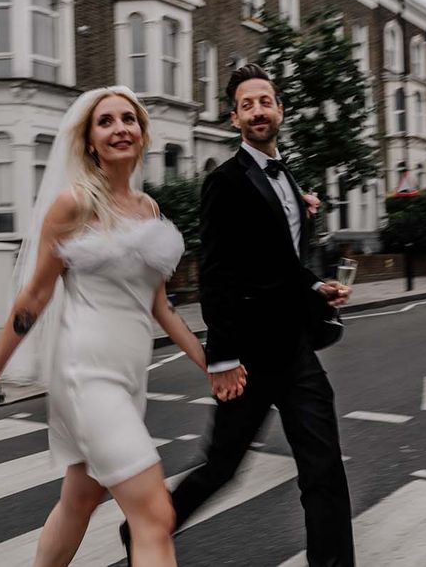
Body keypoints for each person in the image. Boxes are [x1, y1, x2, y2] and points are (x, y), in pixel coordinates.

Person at [0, 86, 206, 567]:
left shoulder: (149, 211)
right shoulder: (73, 205)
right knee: (155, 517)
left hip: (129, 379)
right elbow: (34, 296)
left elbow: (161, 307)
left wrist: (211, 363)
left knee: (79, 500)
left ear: (142, 133)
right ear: (90, 141)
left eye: (129, 119)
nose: (120, 128)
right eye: (106, 121)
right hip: (86, 376)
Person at [167, 64, 355, 565]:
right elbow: (218, 272)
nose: (257, 111)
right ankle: (145, 531)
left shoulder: (288, 178)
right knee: (222, 467)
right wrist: (222, 357)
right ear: (235, 118)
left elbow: (283, 262)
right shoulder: (225, 182)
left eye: (264, 101)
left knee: (324, 467)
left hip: (295, 350)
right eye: (247, 104)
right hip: (248, 356)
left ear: (279, 111)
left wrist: (317, 287)